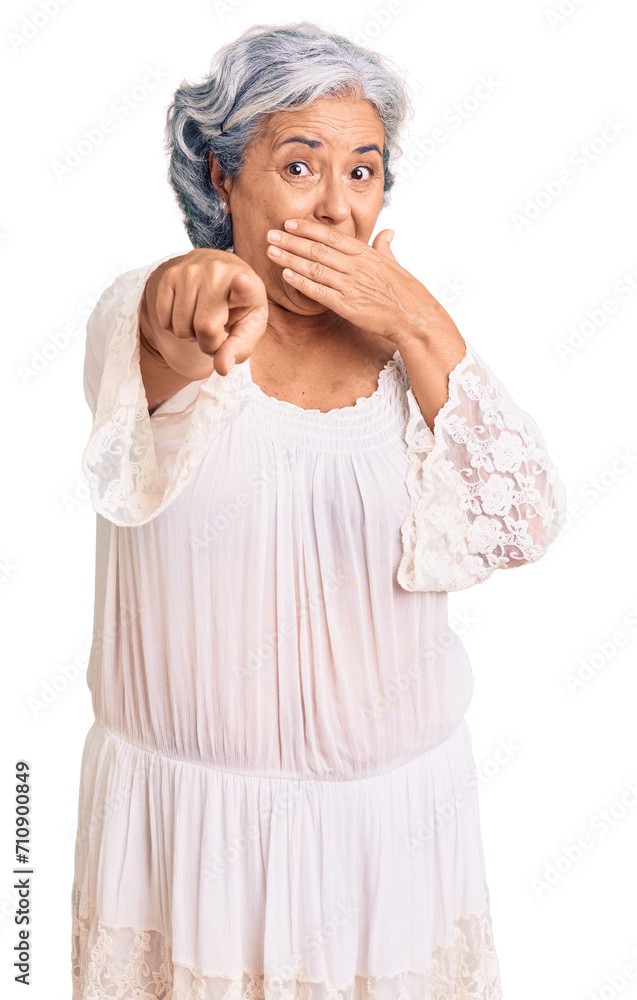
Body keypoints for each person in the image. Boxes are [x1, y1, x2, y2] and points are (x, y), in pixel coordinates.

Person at [71, 20, 566, 1000]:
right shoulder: (159, 320)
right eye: (298, 167)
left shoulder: (415, 366)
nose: (336, 207)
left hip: (393, 849)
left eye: (363, 171)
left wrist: (418, 318)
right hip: (191, 853)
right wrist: (202, 288)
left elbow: (525, 523)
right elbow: (174, 322)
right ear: (223, 179)